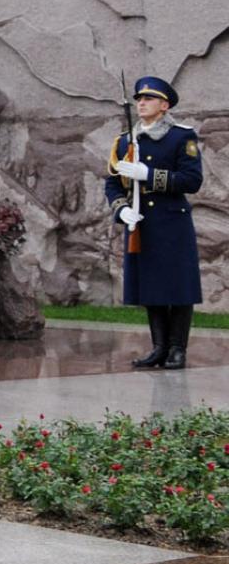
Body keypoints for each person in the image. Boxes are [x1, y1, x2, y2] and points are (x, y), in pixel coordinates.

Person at [106, 76, 206, 370]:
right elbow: (112, 184)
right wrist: (121, 210)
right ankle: (159, 347)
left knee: (178, 287)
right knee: (151, 286)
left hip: (172, 223)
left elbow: (191, 181)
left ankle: (177, 349)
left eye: (148, 99)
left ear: (164, 105)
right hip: (142, 224)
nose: (141, 103)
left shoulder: (180, 137)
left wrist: (147, 174)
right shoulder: (125, 141)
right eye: (139, 99)